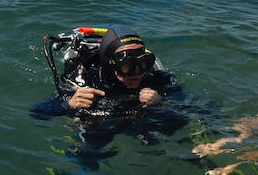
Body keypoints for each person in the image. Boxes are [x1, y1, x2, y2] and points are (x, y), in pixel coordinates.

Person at [42, 24, 179, 115]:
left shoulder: (154, 77)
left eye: (143, 64)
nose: (137, 73)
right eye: (127, 66)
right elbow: (40, 113)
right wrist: (69, 104)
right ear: (110, 65)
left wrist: (160, 102)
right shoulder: (85, 77)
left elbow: (190, 108)